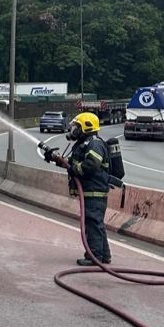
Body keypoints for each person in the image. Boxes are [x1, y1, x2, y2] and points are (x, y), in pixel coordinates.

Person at [48, 112, 112, 266]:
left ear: (86, 127)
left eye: (76, 127)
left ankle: (94, 256)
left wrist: (75, 169)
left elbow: (91, 164)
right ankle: (104, 255)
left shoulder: (94, 143)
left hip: (94, 191)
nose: (73, 130)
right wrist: (54, 158)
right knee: (96, 223)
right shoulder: (83, 144)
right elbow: (70, 163)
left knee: (92, 223)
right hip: (91, 190)